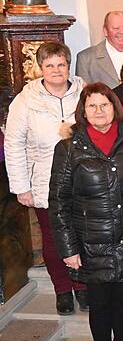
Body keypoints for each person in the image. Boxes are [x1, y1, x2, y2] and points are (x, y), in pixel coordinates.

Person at [49, 83, 123, 341]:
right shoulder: (68, 148)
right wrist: (68, 249)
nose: (98, 111)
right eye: (91, 106)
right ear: (82, 111)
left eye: (104, 105)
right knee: (100, 305)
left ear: (114, 108)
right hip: (90, 243)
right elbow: (59, 201)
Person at [4, 41, 88, 315]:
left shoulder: (84, 92)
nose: (56, 70)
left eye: (61, 64)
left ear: (68, 66)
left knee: (83, 235)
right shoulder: (25, 100)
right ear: (40, 68)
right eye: (49, 65)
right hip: (44, 178)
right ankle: (63, 289)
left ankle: (83, 287)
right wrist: (21, 186)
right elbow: (14, 144)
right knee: (53, 239)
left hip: (82, 178)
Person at [76, 11, 123, 88]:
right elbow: (84, 95)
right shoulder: (86, 58)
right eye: (116, 28)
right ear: (105, 31)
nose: (122, 32)